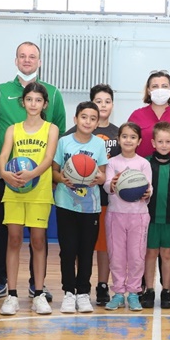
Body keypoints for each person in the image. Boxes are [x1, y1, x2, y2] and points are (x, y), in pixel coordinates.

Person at [0, 41, 68, 301]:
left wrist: (52, 172)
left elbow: (60, 131)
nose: (28, 60)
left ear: (39, 61)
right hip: (8, 175)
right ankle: (3, 281)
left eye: (33, 57)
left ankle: (36, 285)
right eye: (23, 56)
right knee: (8, 233)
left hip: (39, 176)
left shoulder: (52, 93)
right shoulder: (0, 91)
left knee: (38, 236)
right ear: (16, 60)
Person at [129, 71, 170, 296]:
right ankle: (141, 286)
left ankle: (169, 285)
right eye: (154, 85)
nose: (159, 88)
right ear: (148, 90)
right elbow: (128, 146)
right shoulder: (137, 115)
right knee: (143, 242)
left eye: (164, 85)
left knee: (168, 241)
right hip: (142, 187)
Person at [0, 82, 59, 316]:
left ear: (44, 104)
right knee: (13, 240)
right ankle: (12, 295)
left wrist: (32, 174)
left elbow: (49, 157)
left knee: (38, 241)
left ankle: (39, 293)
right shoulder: (13, 129)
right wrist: (5, 173)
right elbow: (3, 155)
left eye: (38, 100)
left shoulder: (51, 129)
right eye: (29, 99)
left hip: (39, 191)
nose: (33, 104)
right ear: (23, 102)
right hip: (14, 190)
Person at [52, 101, 108, 314]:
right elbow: (54, 171)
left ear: (97, 123)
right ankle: (69, 292)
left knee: (86, 251)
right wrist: (62, 178)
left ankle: (83, 292)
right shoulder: (64, 142)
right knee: (68, 250)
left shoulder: (99, 145)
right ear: (75, 119)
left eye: (93, 118)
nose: (88, 121)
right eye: (84, 117)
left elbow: (102, 175)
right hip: (66, 204)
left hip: (90, 207)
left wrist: (98, 178)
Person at [103, 122, 153, 311]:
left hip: (138, 216)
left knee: (136, 256)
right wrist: (113, 184)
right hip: (116, 214)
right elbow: (107, 186)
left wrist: (148, 193)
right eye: (124, 136)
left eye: (133, 137)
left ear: (139, 141)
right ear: (119, 139)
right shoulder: (112, 163)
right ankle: (117, 293)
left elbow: (149, 187)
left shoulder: (143, 163)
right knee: (116, 256)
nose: (128, 140)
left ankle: (133, 293)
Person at [81, 84, 120, 306]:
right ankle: (81, 284)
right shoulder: (80, 131)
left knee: (104, 246)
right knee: (83, 245)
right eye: (98, 101)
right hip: (81, 198)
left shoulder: (118, 133)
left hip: (108, 200)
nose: (103, 105)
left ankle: (103, 285)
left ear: (112, 105)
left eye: (107, 101)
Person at [142, 121, 170, 309]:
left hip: (169, 218)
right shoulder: (146, 164)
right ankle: (149, 290)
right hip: (149, 218)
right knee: (150, 253)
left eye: (168, 141)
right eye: (160, 141)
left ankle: (166, 290)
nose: (164, 145)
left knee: (167, 253)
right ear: (153, 143)